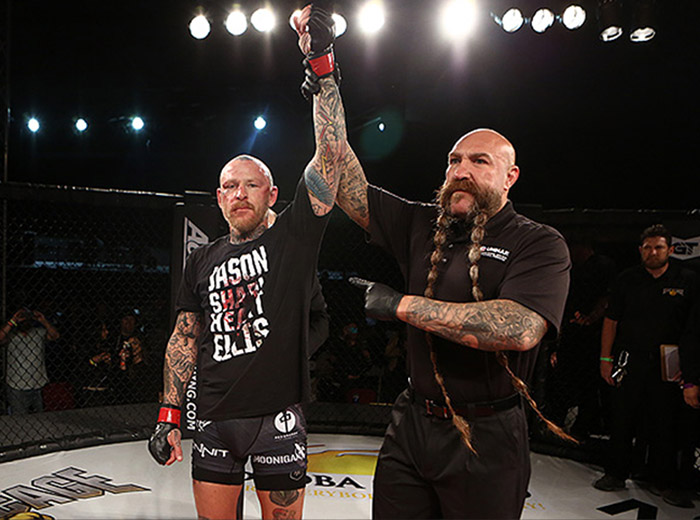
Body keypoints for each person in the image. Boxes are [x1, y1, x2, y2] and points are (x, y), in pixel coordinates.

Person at [294, 9, 571, 516]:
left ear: (510, 177)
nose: (461, 170)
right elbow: (341, 172)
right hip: (413, 422)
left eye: (479, 162)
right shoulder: (422, 223)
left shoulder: (538, 242)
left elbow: (519, 328)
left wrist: (401, 306)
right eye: (453, 161)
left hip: (488, 433)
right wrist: (324, 73)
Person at [147, 5, 344, 518]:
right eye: (230, 186)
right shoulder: (202, 260)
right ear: (218, 198)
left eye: (251, 185)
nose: (240, 194)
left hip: (278, 417)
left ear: (271, 194)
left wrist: (323, 70)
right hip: (215, 418)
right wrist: (169, 414)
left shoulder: (294, 238)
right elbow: (184, 336)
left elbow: (330, 159)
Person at [594, 224, 697, 509]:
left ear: (671, 250)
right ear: (640, 250)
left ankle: (663, 480)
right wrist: (605, 358)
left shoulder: (688, 281)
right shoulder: (627, 279)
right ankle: (615, 473)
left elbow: (693, 329)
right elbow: (611, 320)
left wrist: (688, 367)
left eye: (659, 247)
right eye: (647, 248)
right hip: (629, 359)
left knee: (666, 423)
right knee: (622, 417)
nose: (653, 252)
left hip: (668, 363)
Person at [546, 232, 616, 438]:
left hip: (592, 338)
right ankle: (556, 426)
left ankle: (583, 429)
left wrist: (591, 317)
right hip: (569, 334)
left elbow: (607, 298)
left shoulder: (601, 266)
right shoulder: (570, 269)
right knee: (562, 381)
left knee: (589, 386)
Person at [0, 307, 60, 414]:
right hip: (17, 385)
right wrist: (13, 320)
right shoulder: (11, 335)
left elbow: (55, 335)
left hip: (38, 383)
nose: (24, 321)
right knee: (20, 418)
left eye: (27, 318)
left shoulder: (38, 332)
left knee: (40, 417)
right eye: (22, 318)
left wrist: (43, 320)